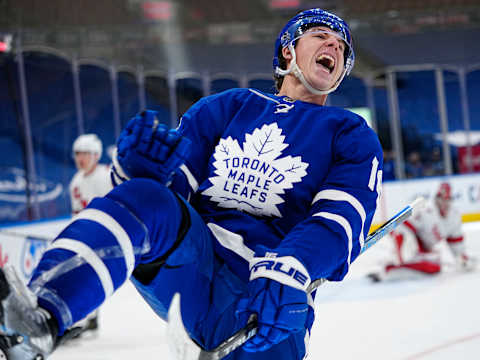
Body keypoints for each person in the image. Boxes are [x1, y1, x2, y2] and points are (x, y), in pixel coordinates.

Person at [0, 8, 383, 360]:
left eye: (341, 46)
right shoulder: (229, 106)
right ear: (287, 49)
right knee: (144, 195)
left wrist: (292, 265)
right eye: (321, 35)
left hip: (267, 294)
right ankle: (38, 324)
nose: (334, 44)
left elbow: (340, 219)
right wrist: (143, 174)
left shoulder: (349, 132)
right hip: (194, 264)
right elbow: (171, 193)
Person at [369, 182, 475, 282]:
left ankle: (393, 268)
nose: (444, 202)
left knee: (435, 267)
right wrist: (410, 250)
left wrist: (461, 257)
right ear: (437, 198)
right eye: (441, 198)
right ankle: (390, 267)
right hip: (408, 239)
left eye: (447, 199)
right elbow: (402, 226)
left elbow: (456, 242)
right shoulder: (426, 209)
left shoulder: (454, 216)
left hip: (425, 247)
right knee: (410, 257)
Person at [69, 134, 113, 334]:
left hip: (111, 234)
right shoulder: (76, 182)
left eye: (85, 154)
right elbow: (77, 214)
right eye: (78, 154)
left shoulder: (107, 175)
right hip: (91, 238)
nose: (81, 158)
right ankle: (89, 316)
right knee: (84, 274)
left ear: (96, 155)